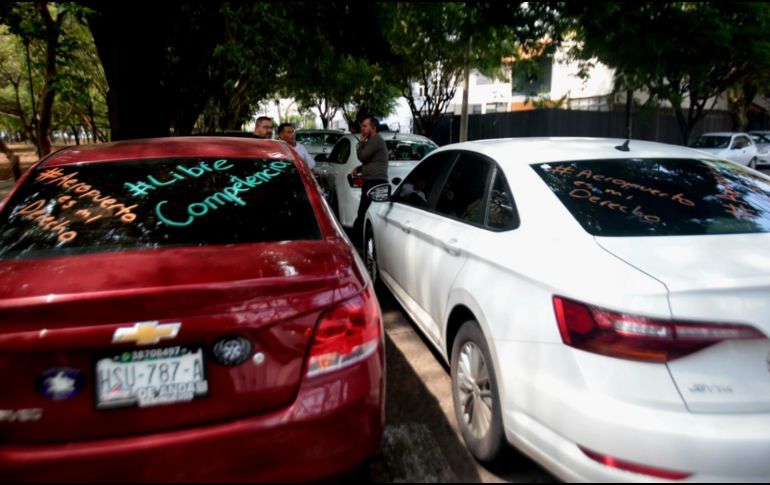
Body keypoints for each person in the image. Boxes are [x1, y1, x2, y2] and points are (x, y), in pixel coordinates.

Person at [352, 116, 389, 245]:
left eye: (365, 126)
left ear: (373, 128)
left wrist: (360, 143)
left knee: (364, 213)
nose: (362, 128)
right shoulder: (372, 141)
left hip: (375, 183)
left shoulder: (375, 140)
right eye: (362, 125)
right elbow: (371, 161)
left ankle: (358, 243)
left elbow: (363, 156)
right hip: (371, 181)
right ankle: (361, 241)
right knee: (364, 213)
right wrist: (360, 169)